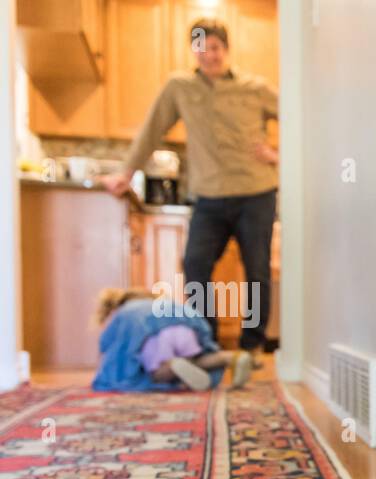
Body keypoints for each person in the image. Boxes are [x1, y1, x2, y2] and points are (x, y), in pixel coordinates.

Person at [101, 17, 278, 355]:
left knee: (256, 271)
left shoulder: (254, 87)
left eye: (214, 47)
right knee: (195, 265)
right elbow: (151, 130)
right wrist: (126, 172)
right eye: (201, 47)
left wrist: (278, 154)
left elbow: (300, 116)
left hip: (256, 192)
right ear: (193, 51)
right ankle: (205, 340)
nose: (208, 55)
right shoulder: (179, 87)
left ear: (225, 49)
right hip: (208, 196)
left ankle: (250, 347)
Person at [91, 288, 251, 392]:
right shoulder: (162, 304)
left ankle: (172, 367)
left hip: (158, 336)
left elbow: (108, 343)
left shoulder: (125, 312)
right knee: (194, 360)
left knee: (158, 373)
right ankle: (228, 357)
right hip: (186, 330)